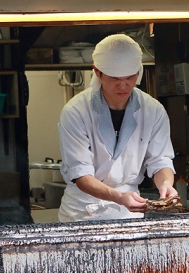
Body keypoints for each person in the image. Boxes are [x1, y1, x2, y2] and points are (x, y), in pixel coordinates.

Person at [58, 34, 177, 222]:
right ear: (97, 72)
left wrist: (166, 185)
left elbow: (160, 161)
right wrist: (118, 197)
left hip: (130, 211)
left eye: (130, 77)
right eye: (115, 78)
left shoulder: (153, 110)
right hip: (83, 212)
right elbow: (80, 174)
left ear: (139, 72)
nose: (123, 85)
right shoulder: (76, 111)